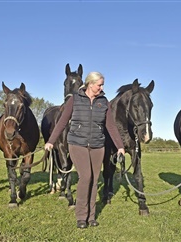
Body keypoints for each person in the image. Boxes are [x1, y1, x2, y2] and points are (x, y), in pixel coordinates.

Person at [44, 71, 125, 229]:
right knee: (86, 176)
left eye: (102, 85)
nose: (101, 88)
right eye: (99, 85)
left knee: (94, 180)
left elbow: (111, 126)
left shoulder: (104, 102)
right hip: (77, 143)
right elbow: (62, 122)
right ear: (90, 84)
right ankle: (81, 216)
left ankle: (91, 216)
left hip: (97, 145)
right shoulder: (75, 99)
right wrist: (51, 141)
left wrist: (120, 146)